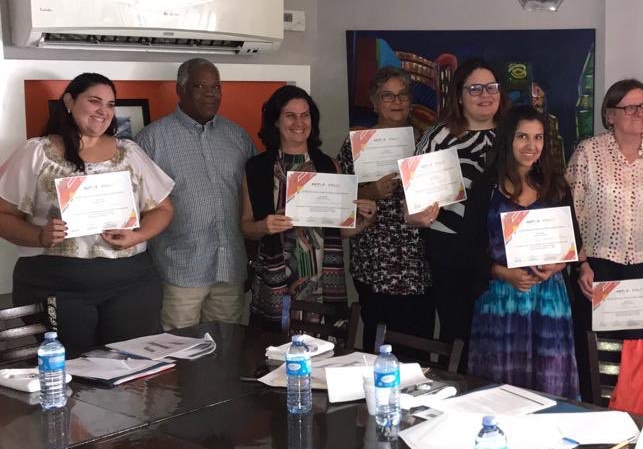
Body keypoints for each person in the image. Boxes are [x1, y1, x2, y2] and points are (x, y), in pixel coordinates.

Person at [0, 73, 174, 355]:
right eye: (94, 101)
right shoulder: (37, 152)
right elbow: (3, 214)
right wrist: (39, 235)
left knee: (133, 370)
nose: (103, 111)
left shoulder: (129, 152)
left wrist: (138, 235)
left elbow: (163, 209)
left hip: (131, 283)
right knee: (69, 374)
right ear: (69, 101)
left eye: (110, 104)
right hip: (57, 285)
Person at [464, 105, 579, 398]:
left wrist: (557, 266)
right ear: (508, 140)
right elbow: (466, 246)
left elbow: (572, 242)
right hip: (500, 298)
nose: (531, 146)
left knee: (550, 386)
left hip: (548, 299)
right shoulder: (485, 187)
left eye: (538, 138)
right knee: (498, 389)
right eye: (523, 137)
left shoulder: (557, 186)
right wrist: (502, 272)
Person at [241, 86, 376, 331]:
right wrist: (264, 226)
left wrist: (364, 220)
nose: (299, 122)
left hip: (323, 279)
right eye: (290, 115)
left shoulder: (329, 165)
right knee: (273, 352)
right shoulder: (256, 168)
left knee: (324, 352)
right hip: (276, 278)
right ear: (275, 120)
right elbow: (246, 227)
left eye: (305, 115)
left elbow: (340, 231)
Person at [135, 58, 255, 329]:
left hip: (230, 267)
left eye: (216, 87)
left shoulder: (238, 138)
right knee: (178, 355)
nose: (211, 93)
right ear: (180, 89)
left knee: (227, 352)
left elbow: (252, 202)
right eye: (200, 86)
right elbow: (137, 206)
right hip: (179, 270)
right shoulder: (152, 140)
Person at [410, 58, 505, 349]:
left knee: (500, 336)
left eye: (491, 87)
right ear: (459, 95)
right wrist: (418, 216)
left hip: (504, 250)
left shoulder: (514, 135)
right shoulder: (439, 137)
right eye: (474, 88)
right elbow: (412, 207)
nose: (485, 95)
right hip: (451, 252)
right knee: (458, 335)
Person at [570, 79, 643, 333]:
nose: (640, 113)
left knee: (642, 357)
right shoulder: (588, 152)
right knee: (600, 356)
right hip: (597, 267)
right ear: (610, 115)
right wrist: (581, 264)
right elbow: (571, 213)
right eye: (630, 108)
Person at [339, 67, 433, 352]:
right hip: (374, 264)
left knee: (419, 347)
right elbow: (335, 198)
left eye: (403, 95)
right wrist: (371, 192)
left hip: (418, 264)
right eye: (388, 95)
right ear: (374, 101)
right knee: (377, 348)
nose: (397, 102)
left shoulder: (426, 142)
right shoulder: (355, 144)